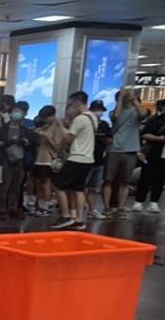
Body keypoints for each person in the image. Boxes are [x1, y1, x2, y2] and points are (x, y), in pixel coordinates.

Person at [52, 91, 97, 230]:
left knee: (58, 185)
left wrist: (61, 126)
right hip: (88, 158)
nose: (70, 108)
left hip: (76, 158)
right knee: (78, 188)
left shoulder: (80, 119)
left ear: (77, 103)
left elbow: (68, 139)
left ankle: (65, 216)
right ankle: (79, 219)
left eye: (71, 105)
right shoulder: (93, 117)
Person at [104, 88, 144, 217]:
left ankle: (121, 208)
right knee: (108, 180)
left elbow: (143, 114)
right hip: (114, 149)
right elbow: (115, 117)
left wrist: (134, 99)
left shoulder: (136, 111)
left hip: (131, 150)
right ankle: (107, 207)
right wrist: (120, 98)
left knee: (125, 180)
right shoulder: (114, 112)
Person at [0, 102, 31, 220]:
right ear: (10, 114)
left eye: (20, 112)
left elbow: (30, 145)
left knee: (17, 185)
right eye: (15, 111)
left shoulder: (24, 129)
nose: (17, 114)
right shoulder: (3, 128)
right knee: (5, 185)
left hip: (20, 159)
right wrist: (11, 141)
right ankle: (1, 209)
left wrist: (25, 142)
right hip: (6, 158)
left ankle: (13, 208)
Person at [30, 105, 65, 217]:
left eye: (46, 117)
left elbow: (57, 147)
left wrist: (46, 136)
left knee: (46, 183)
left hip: (49, 159)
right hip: (39, 159)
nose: (44, 120)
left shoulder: (58, 127)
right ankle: (40, 205)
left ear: (52, 116)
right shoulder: (44, 126)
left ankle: (46, 206)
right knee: (39, 183)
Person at [85, 100, 112, 219]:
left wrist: (103, 138)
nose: (98, 112)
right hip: (85, 159)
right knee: (80, 187)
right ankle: (76, 209)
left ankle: (92, 210)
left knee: (93, 188)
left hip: (99, 159)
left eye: (100, 110)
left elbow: (109, 140)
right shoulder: (86, 122)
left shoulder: (104, 125)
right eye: (95, 109)